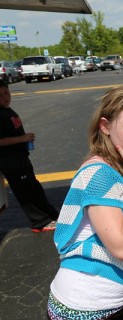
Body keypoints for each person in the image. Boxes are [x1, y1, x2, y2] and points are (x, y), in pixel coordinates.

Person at [47, 86, 123, 319]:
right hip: (84, 309)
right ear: (105, 126)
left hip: (113, 302)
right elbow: (121, 247)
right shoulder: (99, 174)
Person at [0, 79, 58, 232]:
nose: (5, 97)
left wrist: (23, 138)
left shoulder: (6, 110)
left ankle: (50, 214)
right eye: (0, 96)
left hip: (20, 157)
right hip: (9, 161)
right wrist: (22, 138)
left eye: (6, 93)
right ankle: (39, 221)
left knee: (34, 188)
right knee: (25, 193)